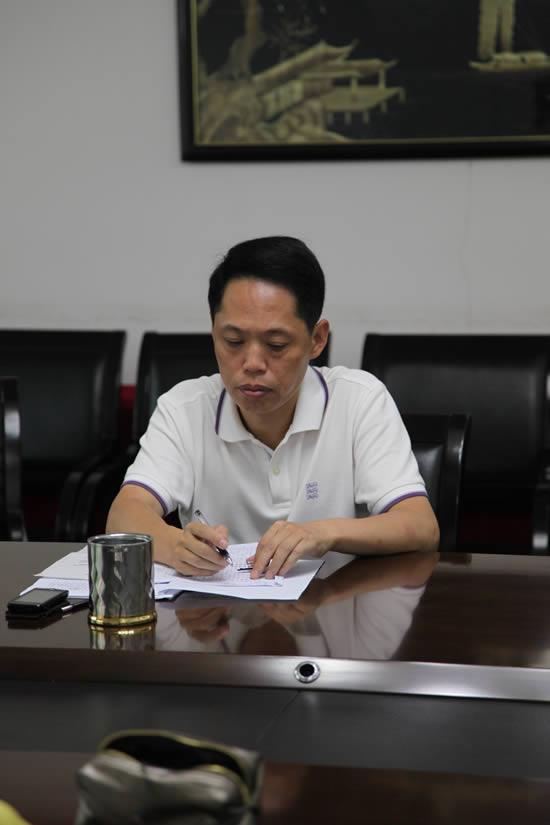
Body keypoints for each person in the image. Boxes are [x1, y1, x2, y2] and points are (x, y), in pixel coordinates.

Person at [106, 236, 439, 578]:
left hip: (336, 604)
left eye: (276, 345)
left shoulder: (359, 400)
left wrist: (323, 532)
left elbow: (421, 525)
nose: (252, 363)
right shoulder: (184, 408)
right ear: (214, 332)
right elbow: (123, 514)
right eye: (233, 341)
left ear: (317, 339)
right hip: (218, 608)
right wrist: (176, 546)